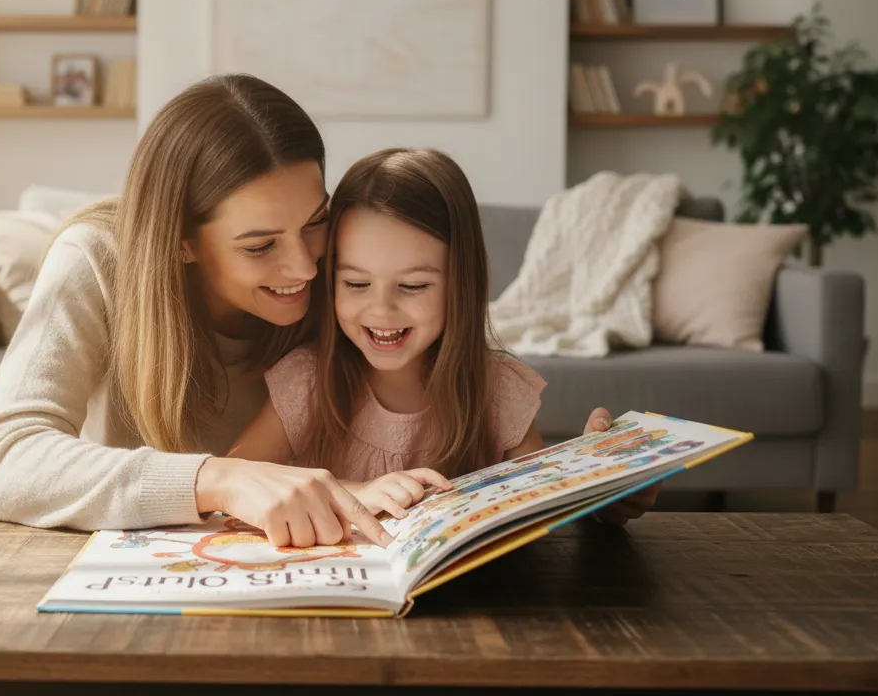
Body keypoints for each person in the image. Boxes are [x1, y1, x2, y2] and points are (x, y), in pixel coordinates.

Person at [0, 74, 638, 549]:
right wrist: (220, 479)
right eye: (259, 246)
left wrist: (589, 488)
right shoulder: (100, 261)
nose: (305, 270)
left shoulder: (347, 281)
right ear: (181, 243)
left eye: (315, 224)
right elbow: (2, 463)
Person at [228, 148, 658, 525]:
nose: (381, 310)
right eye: (356, 284)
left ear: (460, 284)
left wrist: (597, 488)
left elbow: (538, 503)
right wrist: (351, 491)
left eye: (413, 286)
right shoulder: (307, 382)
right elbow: (233, 486)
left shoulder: (496, 388)